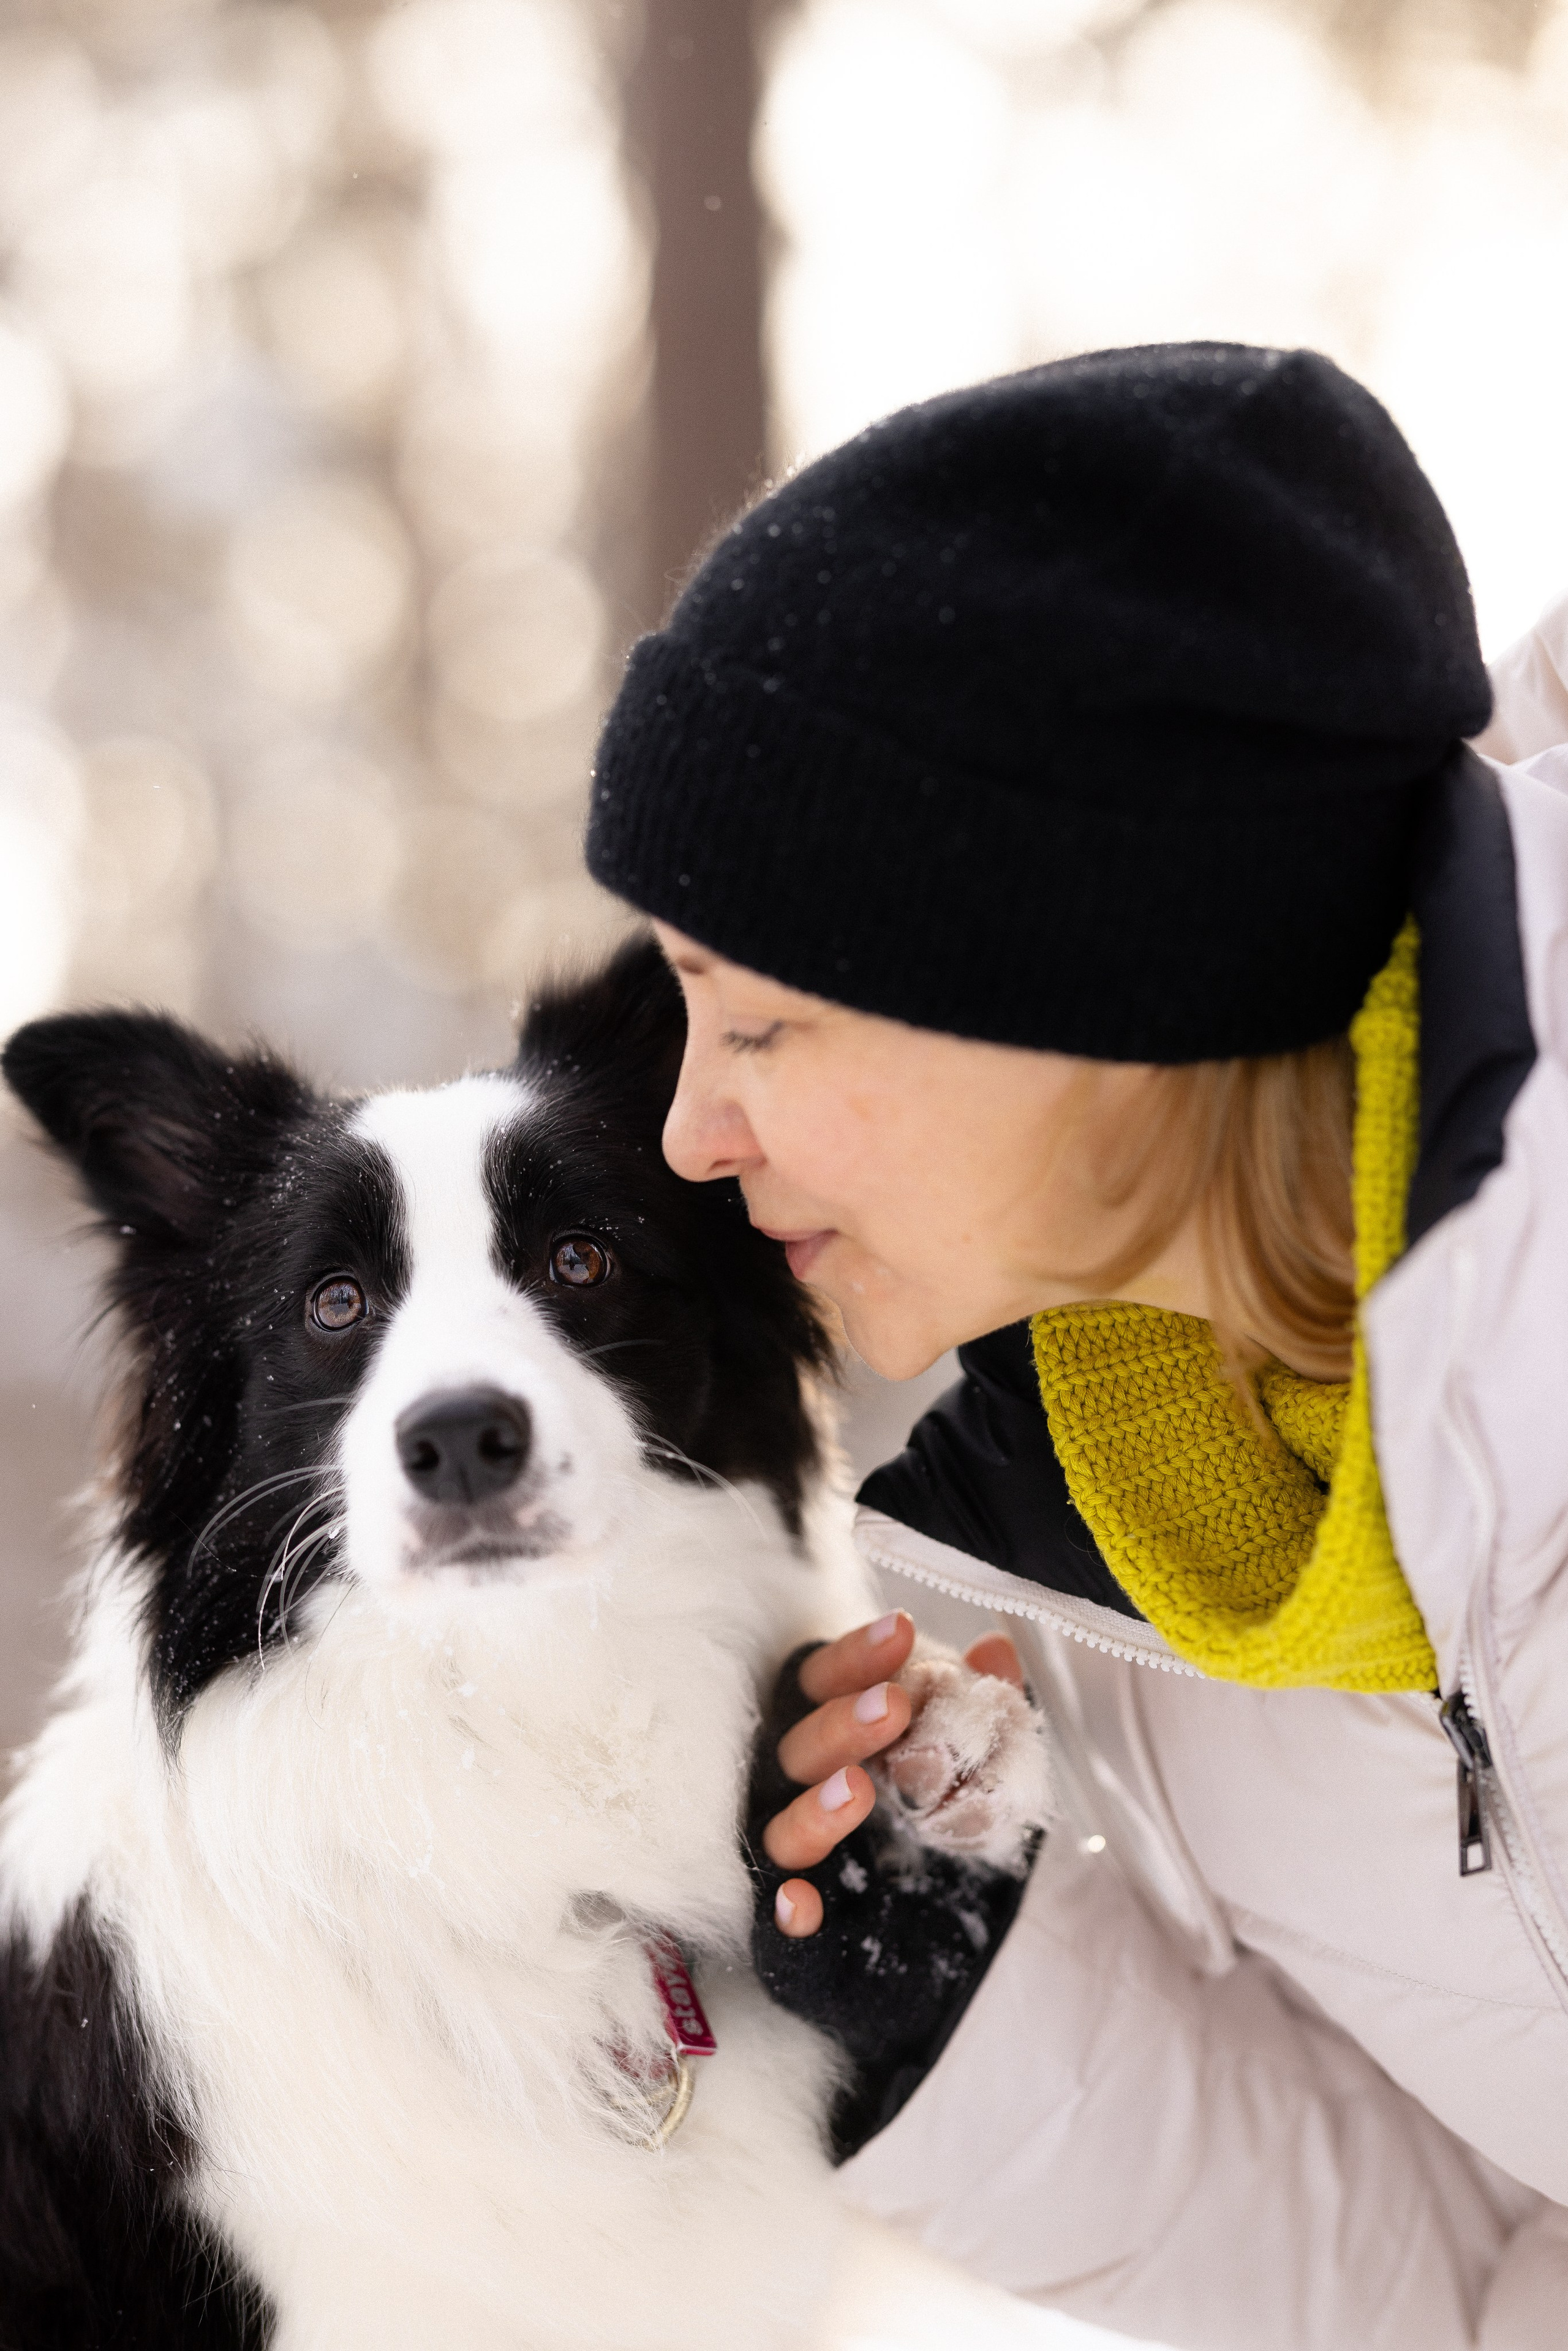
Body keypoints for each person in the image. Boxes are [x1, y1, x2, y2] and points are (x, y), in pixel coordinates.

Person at [585, 344, 1568, 2350]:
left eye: (756, 1021)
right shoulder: (1149, 1547)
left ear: (1077, 986)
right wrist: (953, 2009)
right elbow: (1487, 2275)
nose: (691, 1132)